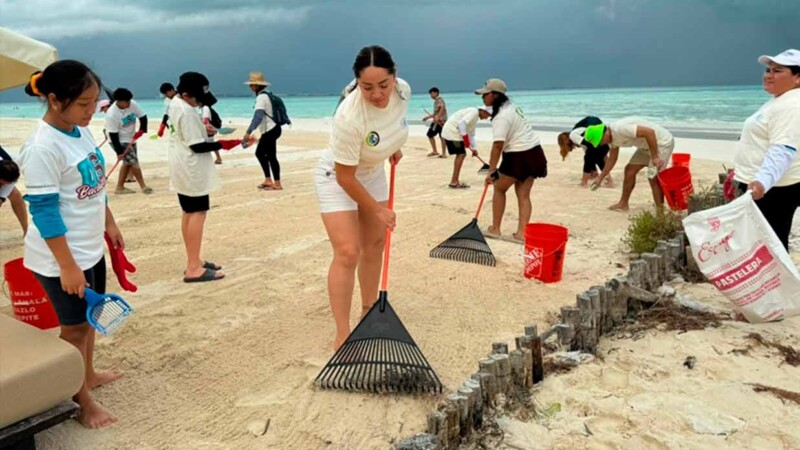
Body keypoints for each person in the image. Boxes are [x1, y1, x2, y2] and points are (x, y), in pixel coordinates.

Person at [19, 60, 124, 429]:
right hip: (59, 258)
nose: (91, 110)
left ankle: (88, 375)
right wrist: (67, 266)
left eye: (95, 101)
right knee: (74, 330)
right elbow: (45, 212)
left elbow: (95, 185)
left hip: (89, 248)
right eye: (83, 103)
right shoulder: (42, 147)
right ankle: (82, 401)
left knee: (88, 320)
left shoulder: (78, 130)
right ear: (53, 99)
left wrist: (109, 223)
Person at [315, 45, 408, 351]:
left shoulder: (402, 91)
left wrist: (392, 146)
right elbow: (345, 178)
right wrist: (378, 211)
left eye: (383, 85)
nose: (378, 94)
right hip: (337, 176)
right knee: (348, 251)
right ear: (356, 83)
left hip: (372, 171)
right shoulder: (349, 116)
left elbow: (392, 124)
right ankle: (342, 333)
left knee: (375, 244)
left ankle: (369, 312)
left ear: (394, 76)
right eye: (367, 87)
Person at [732, 49, 800, 250]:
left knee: (770, 247)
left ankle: (780, 282)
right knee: (766, 245)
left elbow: (784, 148)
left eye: (777, 71)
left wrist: (762, 182)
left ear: (797, 77)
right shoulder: (781, 100)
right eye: (768, 69)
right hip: (765, 185)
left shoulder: (792, 105)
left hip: (773, 190)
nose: (768, 75)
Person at [168, 72, 227, 283]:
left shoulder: (175, 104)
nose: (200, 103)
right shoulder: (187, 111)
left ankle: (194, 260)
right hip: (191, 168)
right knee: (198, 213)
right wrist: (224, 144)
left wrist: (205, 129)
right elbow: (197, 145)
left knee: (188, 212)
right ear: (186, 94)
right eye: (198, 99)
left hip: (181, 164)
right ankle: (193, 268)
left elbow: (187, 135)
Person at [476, 79, 547, 243]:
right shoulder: (513, 108)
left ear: (494, 95)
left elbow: (498, 146)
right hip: (535, 153)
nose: (482, 98)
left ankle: (495, 229)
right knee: (523, 195)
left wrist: (492, 171)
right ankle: (522, 234)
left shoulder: (501, 117)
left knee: (499, 188)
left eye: (485, 94)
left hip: (518, 156)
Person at [578, 117, 674, 211]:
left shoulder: (620, 129)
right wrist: (600, 177)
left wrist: (655, 157)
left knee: (652, 177)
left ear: (603, 134)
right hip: (645, 147)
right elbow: (612, 159)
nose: (601, 144)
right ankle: (623, 204)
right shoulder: (612, 140)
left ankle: (660, 212)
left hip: (662, 143)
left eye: (600, 141)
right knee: (629, 170)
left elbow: (649, 132)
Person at [104, 88, 152, 194]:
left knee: (127, 163)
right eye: (127, 102)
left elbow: (143, 116)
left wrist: (142, 130)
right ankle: (143, 186)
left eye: (130, 100)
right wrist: (119, 152)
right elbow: (113, 135)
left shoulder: (131, 103)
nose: (129, 103)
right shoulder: (112, 114)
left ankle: (119, 188)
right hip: (118, 141)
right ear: (119, 101)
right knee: (133, 162)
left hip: (131, 138)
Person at [242, 72, 283, 190]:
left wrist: (248, 132)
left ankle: (275, 182)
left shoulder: (261, 97)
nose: (250, 87)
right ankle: (270, 180)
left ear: (256, 85)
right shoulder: (268, 95)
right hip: (274, 128)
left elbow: (258, 116)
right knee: (270, 155)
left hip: (270, 129)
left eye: (251, 85)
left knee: (260, 153)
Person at [440, 106, 492, 188]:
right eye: (488, 115)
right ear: (483, 111)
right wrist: (465, 139)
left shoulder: (474, 117)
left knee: (461, 154)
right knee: (461, 154)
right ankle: (454, 181)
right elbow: (462, 124)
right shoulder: (474, 112)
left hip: (454, 132)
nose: (487, 117)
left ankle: (454, 180)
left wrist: (474, 149)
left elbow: (471, 134)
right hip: (452, 132)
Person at [557, 116, 614, 188]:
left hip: (600, 135)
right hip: (604, 134)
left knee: (591, 157)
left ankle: (584, 183)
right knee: (598, 157)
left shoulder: (573, 135)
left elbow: (590, 147)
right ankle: (608, 180)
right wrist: (594, 171)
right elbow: (590, 150)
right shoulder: (579, 133)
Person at [0, 145, 28, 234]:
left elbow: (11, 182)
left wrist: (1, 197)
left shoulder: (15, 162)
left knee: (15, 194)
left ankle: (27, 231)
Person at [422, 87, 448, 157]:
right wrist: (428, 117)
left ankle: (437, 152)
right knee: (441, 136)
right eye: (430, 94)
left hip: (439, 122)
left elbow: (443, 109)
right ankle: (441, 153)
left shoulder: (439, 100)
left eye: (432, 94)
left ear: (436, 93)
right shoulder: (437, 100)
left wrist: (438, 117)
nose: (431, 96)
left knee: (430, 134)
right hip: (440, 121)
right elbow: (436, 112)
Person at [199, 92, 223, 164]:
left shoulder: (205, 108)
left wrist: (207, 129)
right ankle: (218, 158)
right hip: (211, 128)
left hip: (209, 129)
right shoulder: (207, 107)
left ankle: (209, 160)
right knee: (211, 143)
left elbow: (206, 120)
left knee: (208, 144)